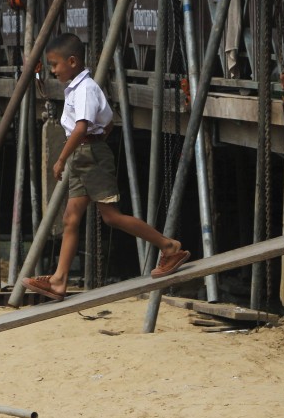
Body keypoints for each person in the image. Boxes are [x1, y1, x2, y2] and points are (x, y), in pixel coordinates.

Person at [22, 33, 190, 301]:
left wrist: (62, 158)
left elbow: (81, 127)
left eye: (55, 65)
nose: (52, 70)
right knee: (70, 218)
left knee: (111, 216)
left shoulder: (86, 88)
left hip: (89, 155)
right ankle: (58, 280)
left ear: (73, 61)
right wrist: (90, 142)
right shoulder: (77, 88)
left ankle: (169, 247)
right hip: (84, 154)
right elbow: (106, 121)